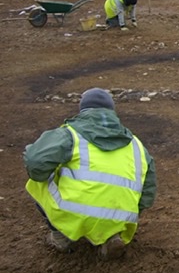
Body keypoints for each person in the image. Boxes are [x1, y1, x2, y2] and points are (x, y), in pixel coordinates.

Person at [23, 88, 157, 260]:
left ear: (83, 110)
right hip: (122, 217)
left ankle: (61, 236)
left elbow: (35, 164)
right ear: (112, 111)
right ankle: (111, 234)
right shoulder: (137, 145)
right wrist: (128, 212)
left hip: (74, 212)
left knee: (38, 180)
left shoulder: (69, 134)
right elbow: (148, 192)